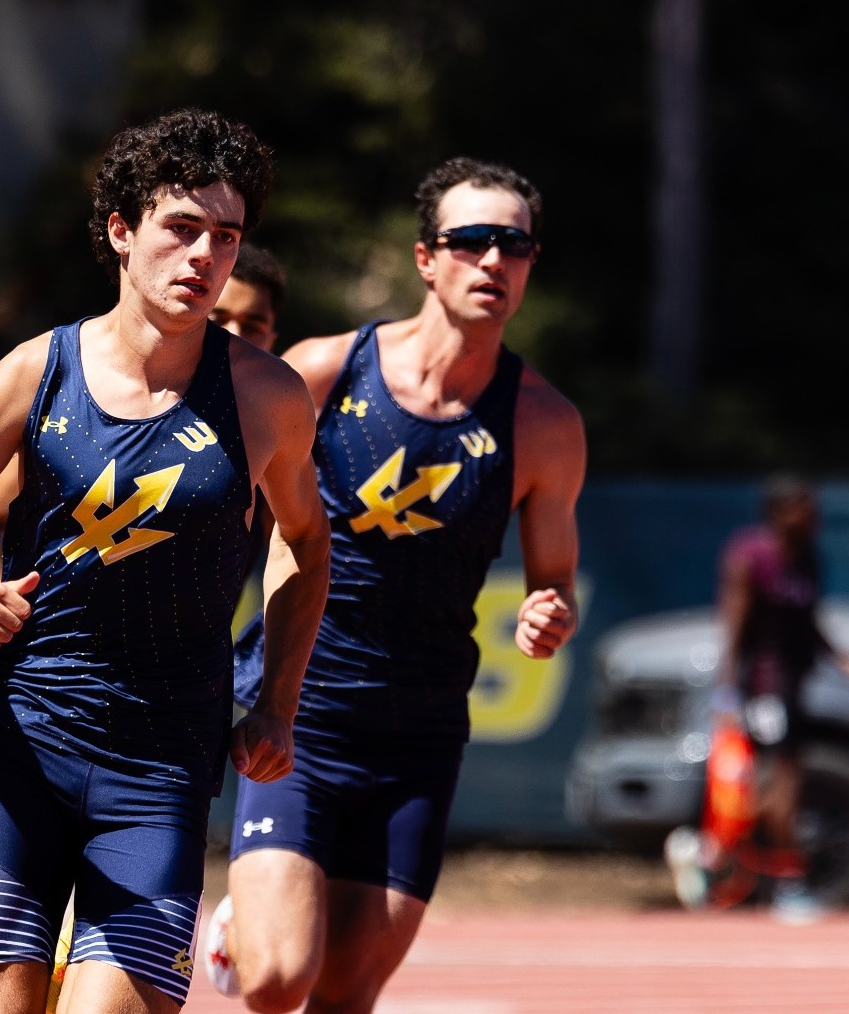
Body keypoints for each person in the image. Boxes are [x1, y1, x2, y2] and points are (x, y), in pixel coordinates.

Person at [0, 108, 331, 1014]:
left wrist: (277, 700)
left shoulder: (266, 397)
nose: (204, 256)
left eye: (226, 236)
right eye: (182, 228)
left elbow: (307, 540)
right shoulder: (34, 373)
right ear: (122, 231)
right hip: (23, 738)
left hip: (163, 762)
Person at [204, 158, 586, 1014]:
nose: (494, 260)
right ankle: (252, 919)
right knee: (277, 979)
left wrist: (549, 611)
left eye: (515, 245)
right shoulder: (323, 371)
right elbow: (223, 511)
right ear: (426, 257)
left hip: (419, 734)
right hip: (302, 712)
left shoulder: (545, 423)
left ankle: (275, 914)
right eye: (471, 240)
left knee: (346, 995)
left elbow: (554, 583)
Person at [0, 242, 289, 588]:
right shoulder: (107, 400)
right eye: (218, 319)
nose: (234, 336)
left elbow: (300, 543)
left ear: (273, 337)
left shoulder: (279, 429)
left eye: (253, 325)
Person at [703, 476, 849, 921]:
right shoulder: (751, 555)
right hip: (763, 686)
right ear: (780, 511)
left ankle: (714, 850)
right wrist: (726, 692)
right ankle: (785, 880)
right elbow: (734, 626)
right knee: (783, 782)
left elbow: (810, 623)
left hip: (794, 684)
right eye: (805, 508)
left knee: (782, 782)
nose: (814, 518)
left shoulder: (808, 558)